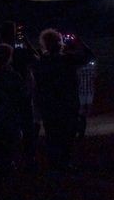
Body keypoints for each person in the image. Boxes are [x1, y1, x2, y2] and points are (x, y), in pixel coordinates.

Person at [33, 30, 92, 172]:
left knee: (52, 135)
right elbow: (89, 56)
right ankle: (64, 162)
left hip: (49, 104)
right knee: (67, 134)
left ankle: (54, 163)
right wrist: (78, 41)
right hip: (67, 103)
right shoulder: (67, 59)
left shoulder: (42, 61)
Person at [0, 21, 39, 168]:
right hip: (22, 95)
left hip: (2, 97)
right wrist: (26, 42)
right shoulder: (20, 52)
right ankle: (29, 159)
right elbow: (36, 59)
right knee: (27, 127)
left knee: (4, 130)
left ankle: (5, 160)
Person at [0, 44, 29, 175]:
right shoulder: (12, 75)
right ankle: (6, 167)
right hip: (9, 114)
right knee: (9, 142)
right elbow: (22, 94)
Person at [76, 60, 96, 138]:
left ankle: (81, 124)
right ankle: (83, 124)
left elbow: (77, 79)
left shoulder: (79, 68)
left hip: (81, 91)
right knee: (87, 109)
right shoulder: (91, 68)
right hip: (89, 90)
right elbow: (94, 78)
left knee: (81, 110)